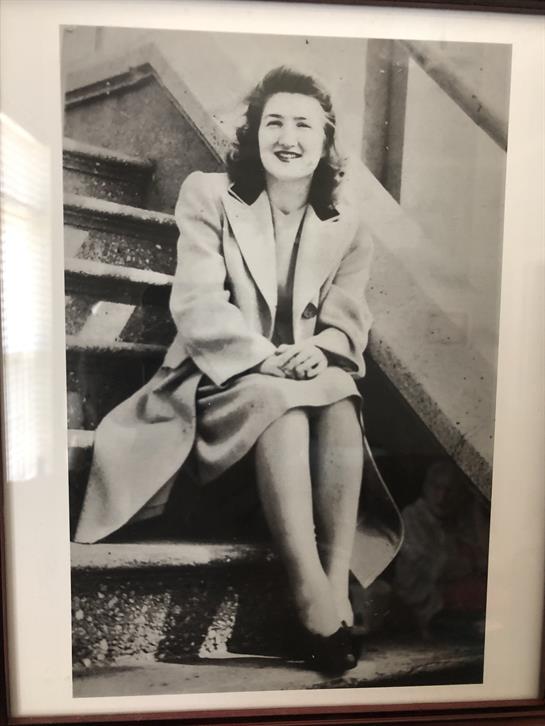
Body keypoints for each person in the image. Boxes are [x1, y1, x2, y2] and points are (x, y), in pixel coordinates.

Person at [74, 66, 402, 674]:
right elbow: (197, 305)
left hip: (296, 387)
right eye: (273, 122)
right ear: (254, 134)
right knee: (282, 399)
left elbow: (349, 319)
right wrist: (266, 358)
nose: (287, 137)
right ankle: (308, 593)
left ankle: (334, 586)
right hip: (213, 383)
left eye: (303, 125)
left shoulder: (348, 226)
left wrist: (323, 348)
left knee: (337, 389)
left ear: (325, 141)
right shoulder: (209, 195)